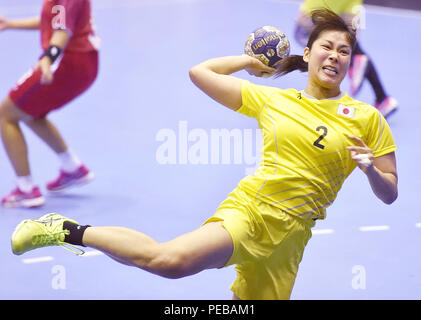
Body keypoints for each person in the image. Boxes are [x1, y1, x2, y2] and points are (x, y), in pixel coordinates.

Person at [10, 9, 398, 300]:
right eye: (326, 47)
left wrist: (369, 172)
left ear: (350, 61)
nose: (334, 56)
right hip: (253, 213)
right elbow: (201, 73)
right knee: (170, 262)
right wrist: (248, 63)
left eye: (343, 51)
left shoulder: (367, 118)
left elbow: (390, 191)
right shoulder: (273, 99)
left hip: (293, 238)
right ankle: (66, 229)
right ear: (309, 53)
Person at [0, 0, 99, 208]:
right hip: (81, 62)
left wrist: (47, 58)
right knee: (29, 111)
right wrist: (10, 24)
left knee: (6, 113)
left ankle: (26, 189)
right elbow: (52, 23)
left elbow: (62, 31)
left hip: (68, 62)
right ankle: (71, 166)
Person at [295, 0, 398, 118]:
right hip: (350, 6)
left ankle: (320, 100)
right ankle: (382, 99)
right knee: (345, 42)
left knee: (304, 34)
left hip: (323, 5)